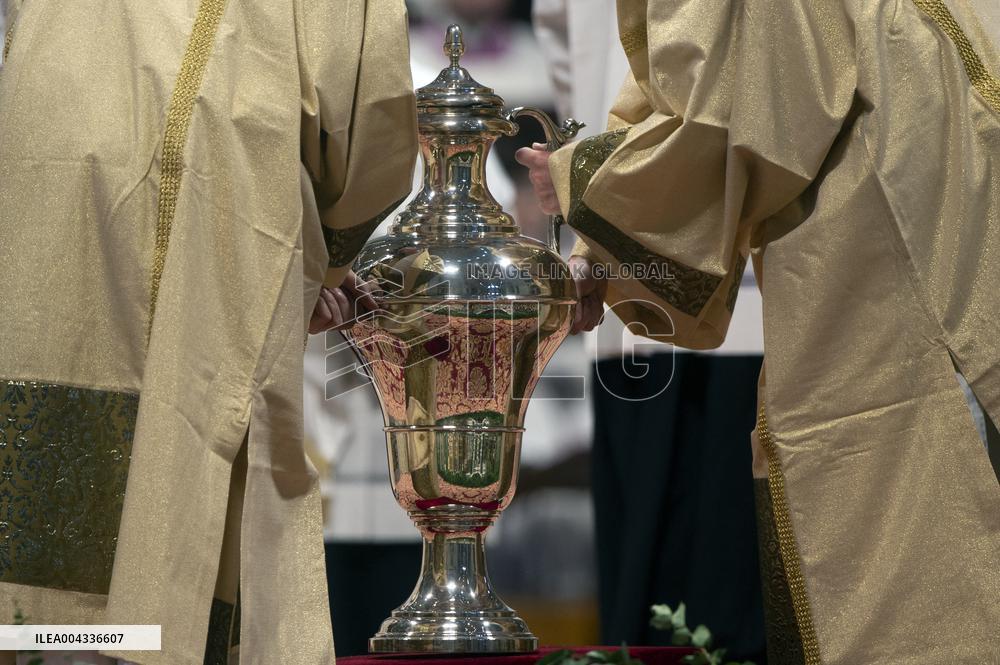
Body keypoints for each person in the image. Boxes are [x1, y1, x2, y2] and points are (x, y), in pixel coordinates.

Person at [518, 0, 1000, 663]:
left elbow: (732, 115)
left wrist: (590, 199)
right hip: (925, 149)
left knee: (924, 552)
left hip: (885, 220)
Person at [0, 0, 417, 663]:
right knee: (183, 457)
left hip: (44, 141)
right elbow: (368, 99)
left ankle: (49, 639)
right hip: (217, 169)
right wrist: (330, 262)